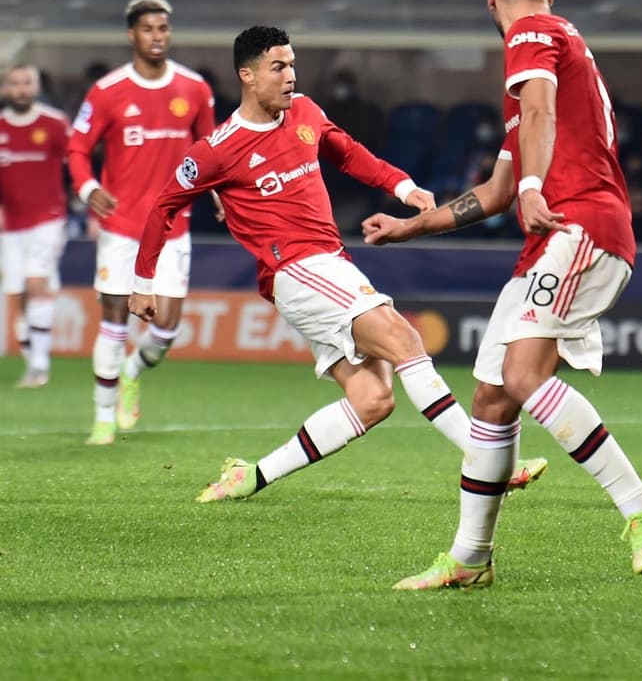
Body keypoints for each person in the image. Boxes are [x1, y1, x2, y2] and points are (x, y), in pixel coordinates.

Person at [362, 0, 642, 589]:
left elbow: (532, 142)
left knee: (523, 373)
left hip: (580, 224)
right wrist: (411, 225)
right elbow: (502, 187)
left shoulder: (533, 33)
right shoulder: (546, 53)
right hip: (556, 234)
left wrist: (536, 187)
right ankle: (471, 558)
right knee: (493, 398)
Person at [128, 26, 544, 504]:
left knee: (373, 400)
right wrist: (143, 284)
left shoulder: (304, 111)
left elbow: (347, 153)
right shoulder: (219, 149)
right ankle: (487, 463)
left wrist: (404, 188)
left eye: (292, 65)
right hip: (296, 269)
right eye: (278, 67)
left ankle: (251, 476)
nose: (290, 76)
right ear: (247, 76)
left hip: (329, 264)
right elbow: (163, 206)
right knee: (406, 339)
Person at [67, 0, 217, 445]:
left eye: (164, 29)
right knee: (115, 320)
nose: (157, 36)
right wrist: (88, 189)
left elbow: (213, 149)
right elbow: (76, 148)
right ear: (132, 34)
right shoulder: (107, 91)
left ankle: (132, 373)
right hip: (122, 227)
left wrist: (223, 192)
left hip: (175, 227)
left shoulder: (195, 89)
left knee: (166, 329)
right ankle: (103, 417)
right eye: (149, 29)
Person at [0, 64, 70, 387]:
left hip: (48, 219)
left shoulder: (54, 124)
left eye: (27, 83)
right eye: (15, 84)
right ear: (6, 89)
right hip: (10, 225)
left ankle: (39, 366)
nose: (21, 89)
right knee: (18, 293)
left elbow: (78, 162)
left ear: (37, 86)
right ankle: (34, 357)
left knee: (35, 282)